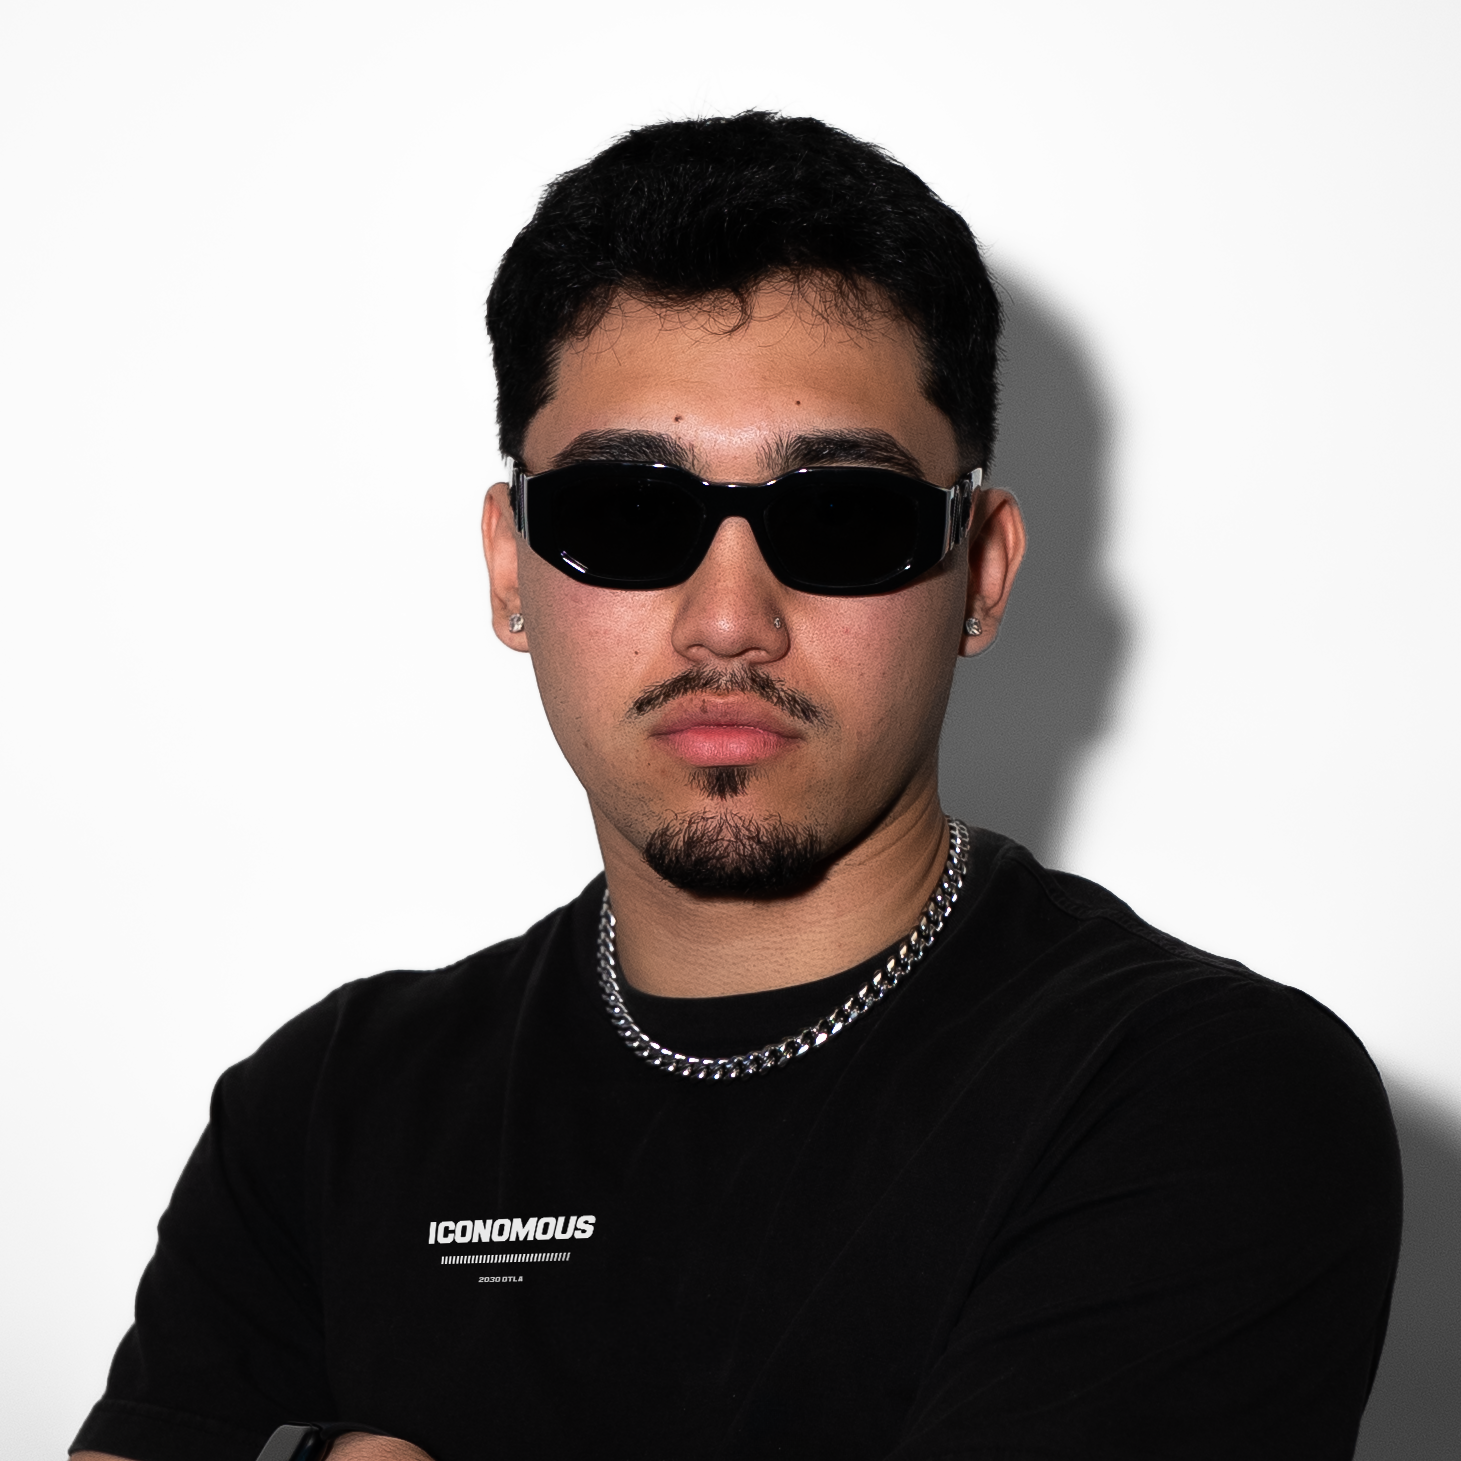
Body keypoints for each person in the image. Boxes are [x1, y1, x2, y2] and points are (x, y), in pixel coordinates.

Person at [72, 112, 1402, 1461]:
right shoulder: (325, 1114)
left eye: (843, 517)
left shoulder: (1199, 1098)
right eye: (625, 512)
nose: (727, 619)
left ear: (981, 575)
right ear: (508, 566)